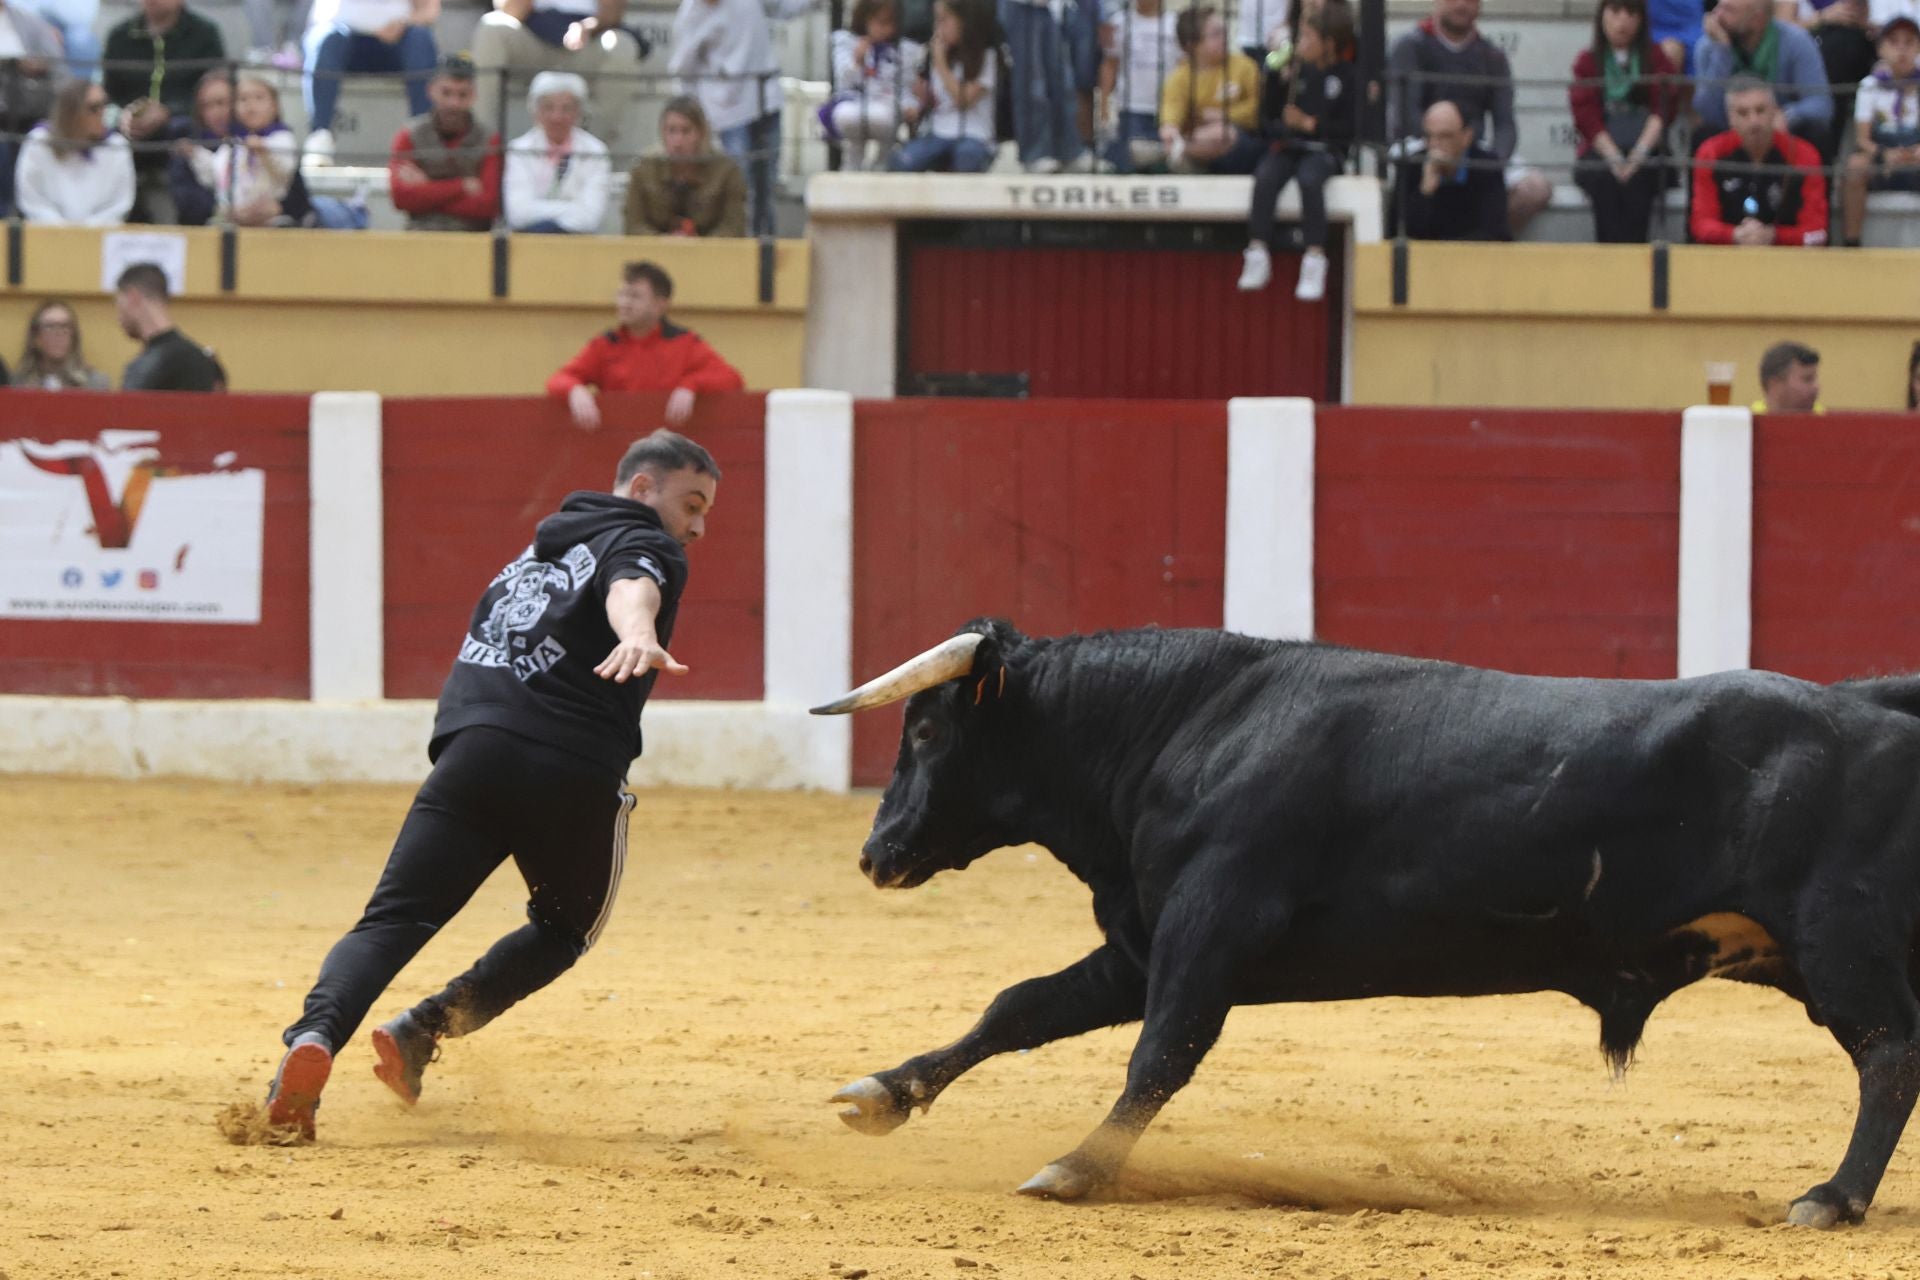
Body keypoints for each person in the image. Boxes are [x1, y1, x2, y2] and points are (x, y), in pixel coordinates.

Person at [263, 429, 719, 1143]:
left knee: (390, 922)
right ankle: (422, 1028)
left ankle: (313, 1037)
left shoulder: (531, 557)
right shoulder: (644, 541)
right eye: (690, 503)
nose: (696, 527)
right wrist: (637, 630)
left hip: (472, 756)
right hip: (571, 767)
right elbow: (634, 583)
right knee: (566, 929)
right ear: (641, 489)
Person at [1387, 0, 1551, 237]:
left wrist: (1491, 164)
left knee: (1535, 189)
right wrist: (1440, 147)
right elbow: (1405, 116)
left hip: (1473, 150)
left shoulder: (1492, 55)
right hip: (1422, 143)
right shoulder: (1409, 46)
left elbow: (1505, 124)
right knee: (1407, 178)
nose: (1462, 4)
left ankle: (1476, 242)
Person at [1237, 0, 1358, 301]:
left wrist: (1310, 125)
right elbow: (1271, 116)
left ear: (1328, 44)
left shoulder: (1346, 76)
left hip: (1323, 150)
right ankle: (1257, 249)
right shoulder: (1297, 72)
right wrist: (1278, 81)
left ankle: (1315, 256)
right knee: (1266, 176)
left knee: (1309, 179)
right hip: (1292, 146)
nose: (1300, 43)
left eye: (1307, 38)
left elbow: (1348, 128)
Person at [548, 261, 744, 430]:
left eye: (634, 296)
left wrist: (691, 385)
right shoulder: (605, 344)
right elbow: (559, 379)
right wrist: (574, 390)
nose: (624, 303)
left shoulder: (685, 342)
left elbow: (732, 380)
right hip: (619, 448)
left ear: (660, 304)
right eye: (622, 295)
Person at [670, 0, 811, 235]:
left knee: (767, 185)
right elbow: (683, 69)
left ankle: (765, 249)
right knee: (739, 187)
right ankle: (740, 246)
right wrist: (693, 115)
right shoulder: (690, 14)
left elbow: (785, 7)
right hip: (727, 111)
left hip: (766, 100)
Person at [102, 0, 227, 224]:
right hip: (130, 131)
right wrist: (124, 115)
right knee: (104, 140)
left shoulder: (204, 34)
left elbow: (213, 89)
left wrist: (167, 111)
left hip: (184, 125)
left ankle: (194, 218)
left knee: (182, 131)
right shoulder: (119, 36)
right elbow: (107, 96)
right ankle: (117, 216)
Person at [471, 0, 647, 158]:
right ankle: (485, 152)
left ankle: (589, 155)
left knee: (622, 46)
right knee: (490, 27)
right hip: (531, 37)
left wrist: (588, 27)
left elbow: (613, 13)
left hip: (588, 39)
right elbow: (512, 10)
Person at [1569, 0, 1681, 243]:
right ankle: (1609, 260)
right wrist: (1615, 159)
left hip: (1648, 148)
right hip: (1602, 150)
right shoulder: (1587, 61)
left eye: (1631, 13)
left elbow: (1662, 110)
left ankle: (1636, 259)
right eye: (1615, 11)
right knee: (1606, 179)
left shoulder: (1656, 57)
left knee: (1639, 178)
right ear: (1602, 16)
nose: (1623, 21)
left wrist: (1637, 156)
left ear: (1641, 19)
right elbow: (1586, 116)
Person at [1690, 75, 1829, 244]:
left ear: (1775, 111)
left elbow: (1817, 231)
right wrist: (1734, 235)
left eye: (1760, 110)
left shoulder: (1804, 156)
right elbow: (1701, 224)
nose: (1754, 121)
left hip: (1788, 261)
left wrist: (1774, 236)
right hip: (1727, 258)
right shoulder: (1710, 154)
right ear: (1730, 118)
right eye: (1743, 113)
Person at [299, 0, 440, 166]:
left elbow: (430, 10)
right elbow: (320, 14)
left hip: (396, 43)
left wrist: (403, 23)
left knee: (420, 38)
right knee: (325, 38)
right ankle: (320, 136)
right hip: (345, 41)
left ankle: (422, 139)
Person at [1693, 0, 1833, 155]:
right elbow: (1707, 112)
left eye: (1729, 10)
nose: (1716, 17)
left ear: (1757, 19)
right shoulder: (1708, 47)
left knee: (1816, 133)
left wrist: (1787, 116)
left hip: (1781, 133)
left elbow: (1821, 105)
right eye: (1718, 8)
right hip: (1732, 131)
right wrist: (1722, 51)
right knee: (1702, 135)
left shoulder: (1796, 41)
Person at [389, 54, 504, 233]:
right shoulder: (409, 135)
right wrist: (462, 186)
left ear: (474, 95)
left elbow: (489, 205)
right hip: (420, 237)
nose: (454, 103)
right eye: (446, 93)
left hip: (473, 241)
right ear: (431, 90)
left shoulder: (490, 139)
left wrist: (427, 188)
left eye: (462, 95)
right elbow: (400, 197)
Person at [888, 0, 999, 172]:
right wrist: (920, 99)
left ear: (964, 21)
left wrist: (940, 63)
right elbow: (928, 100)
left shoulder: (987, 56)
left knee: (967, 156)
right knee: (903, 160)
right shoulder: (931, 55)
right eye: (936, 20)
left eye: (944, 20)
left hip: (974, 135)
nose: (938, 27)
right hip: (938, 133)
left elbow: (963, 99)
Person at [1841, 14, 1920, 247]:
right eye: (1894, 42)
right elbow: (1863, 138)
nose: (1902, 50)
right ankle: (1851, 243)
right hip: (1883, 159)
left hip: (1915, 158)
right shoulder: (1870, 86)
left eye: (1909, 42)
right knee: (1855, 166)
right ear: (1881, 49)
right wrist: (1884, 154)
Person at [13, 80, 136, 226]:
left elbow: (119, 204)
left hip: (99, 237)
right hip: (47, 236)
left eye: (105, 105)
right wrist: (62, 231)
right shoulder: (39, 142)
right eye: (94, 108)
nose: (103, 113)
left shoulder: (117, 147)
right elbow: (32, 200)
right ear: (70, 112)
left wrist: (85, 232)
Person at [1158, 6, 1264, 173]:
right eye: (1215, 34)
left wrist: (1226, 115)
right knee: (1200, 135)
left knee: (1222, 132)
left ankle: (1168, 150)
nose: (1224, 37)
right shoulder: (1180, 77)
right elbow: (1172, 109)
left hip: (1242, 144)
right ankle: (1178, 148)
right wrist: (1170, 127)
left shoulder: (1245, 66)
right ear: (1192, 45)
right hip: (1202, 144)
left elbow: (1260, 109)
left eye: (1223, 31)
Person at [823, 0, 924, 172]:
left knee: (885, 124)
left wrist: (911, 105)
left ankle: (881, 165)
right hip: (855, 103)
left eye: (891, 23)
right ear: (865, 19)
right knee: (852, 125)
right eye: (881, 22)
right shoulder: (847, 42)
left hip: (887, 106)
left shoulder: (905, 50)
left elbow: (905, 87)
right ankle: (851, 170)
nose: (887, 29)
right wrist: (857, 61)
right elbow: (844, 82)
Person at [504, 70, 610, 233]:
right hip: (527, 244)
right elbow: (518, 214)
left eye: (566, 108)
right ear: (536, 110)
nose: (557, 117)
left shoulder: (596, 151)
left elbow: (591, 217)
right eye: (548, 107)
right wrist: (572, 208)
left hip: (579, 246)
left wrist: (539, 210)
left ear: (578, 112)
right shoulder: (518, 149)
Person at [624, 95, 745, 236]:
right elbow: (633, 226)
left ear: (701, 133)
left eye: (686, 131)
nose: (678, 141)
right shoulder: (644, 168)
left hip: (710, 253)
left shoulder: (726, 170)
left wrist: (697, 246)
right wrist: (664, 242)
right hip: (654, 253)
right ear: (662, 133)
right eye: (671, 130)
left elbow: (734, 227)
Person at [1388, 98, 1508, 240]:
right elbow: (1398, 233)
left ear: (1466, 137)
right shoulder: (1411, 165)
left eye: (1445, 136)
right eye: (1428, 136)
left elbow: (1493, 232)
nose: (1434, 144)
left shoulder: (1485, 166)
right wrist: (1425, 192)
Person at [187, 73, 300, 224]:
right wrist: (195, 154)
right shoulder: (233, 143)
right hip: (232, 217)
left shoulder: (281, 138)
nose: (250, 105)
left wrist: (264, 150)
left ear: (275, 106)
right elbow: (216, 172)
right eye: (243, 99)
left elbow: (285, 170)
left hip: (270, 218)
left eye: (259, 98)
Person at [1001, 0, 1087, 173]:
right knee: (1032, 85)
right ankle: (1035, 153)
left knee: (1062, 81)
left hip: (1052, 8)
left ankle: (1068, 151)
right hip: (1022, 8)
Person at [115, 261, 228, 392]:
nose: (119, 317)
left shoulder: (151, 367)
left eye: (119, 305)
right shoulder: (201, 361)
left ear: (132, 297)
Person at [0, 0, 66, 220]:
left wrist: (39, 66)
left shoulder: (30, 23)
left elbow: (61, 72)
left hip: (30, 115)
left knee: (41, 141)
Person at [1098, 0, 1179, 172]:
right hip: (1131, 108)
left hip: (1168, 109)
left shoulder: (1175, 23)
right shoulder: (1119, 21)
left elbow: (1184, 66)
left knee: (1163, 165)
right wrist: (1104, 104)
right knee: (1129, 163)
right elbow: (1110, 64)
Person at [11, 299, 110, 390]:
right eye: (50, 327)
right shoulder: (18, 384)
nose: (58, 334)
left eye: (65, 327)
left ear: (74, 336)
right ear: (36, 337)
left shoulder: (95, 384)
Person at [1753, 339, 1824, 412]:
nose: (1816, 387)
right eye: (1807, 379)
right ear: (1775, 385)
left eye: (1814, 379)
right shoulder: (1749, 422)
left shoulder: (1826, 421)